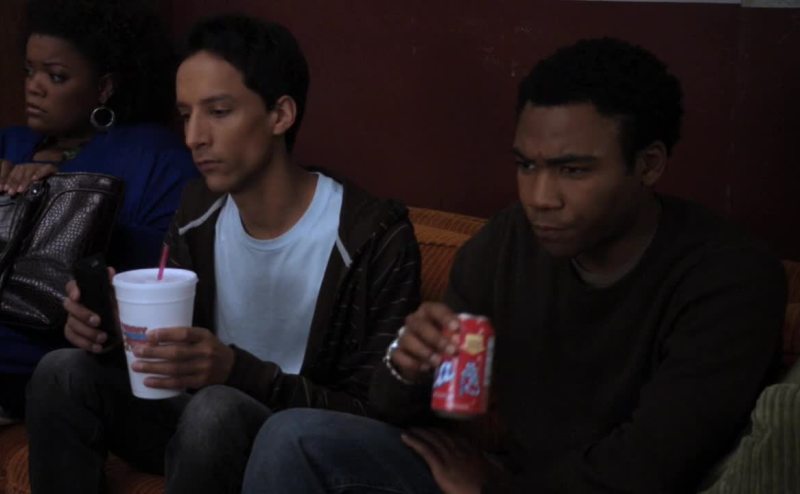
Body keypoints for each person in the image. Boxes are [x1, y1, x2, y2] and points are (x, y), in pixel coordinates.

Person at [238, 38, 787, 493]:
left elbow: (652, 466)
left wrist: (499, 486)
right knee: (294, 438)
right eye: (527, 166)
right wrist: (408, 365)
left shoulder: (728, 278)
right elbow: (404, 410)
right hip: (496, 477)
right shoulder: (509, 242)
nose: (540, 197)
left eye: (573, 170)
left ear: (648, 165)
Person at [25, 14, 421, 494]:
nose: (194, 137)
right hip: (199, 429)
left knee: (217, 407)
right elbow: (176, 358)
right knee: (62, 371)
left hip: (296, 444)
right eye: (186, 115)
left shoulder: (371, 235)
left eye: (218, 111)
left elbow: (374, 415)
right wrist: (114, 330)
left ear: (280, 115)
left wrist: (236, 372)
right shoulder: (198, 210)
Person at [0, 0, 197, 422]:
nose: (34, 87)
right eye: (29, 71)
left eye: (56, 76)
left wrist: (58, 197)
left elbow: (169, 272)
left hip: (60, 361)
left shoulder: (154, 157)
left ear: (104, 87)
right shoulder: (9, 144)